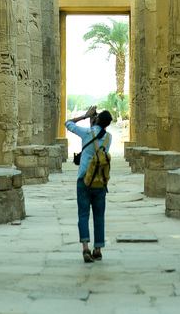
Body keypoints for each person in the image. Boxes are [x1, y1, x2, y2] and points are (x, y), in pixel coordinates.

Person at [65, 105, 113, 263]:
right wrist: (95, 122)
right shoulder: (109, 137)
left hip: (84, 179)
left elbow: (68, 123)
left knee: (83, 214)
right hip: (100, 181)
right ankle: (98, 249)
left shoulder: (87, 132)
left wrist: (85, 116)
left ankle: (85, 248)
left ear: (97, 119)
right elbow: (98, 138)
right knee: (99, 216)